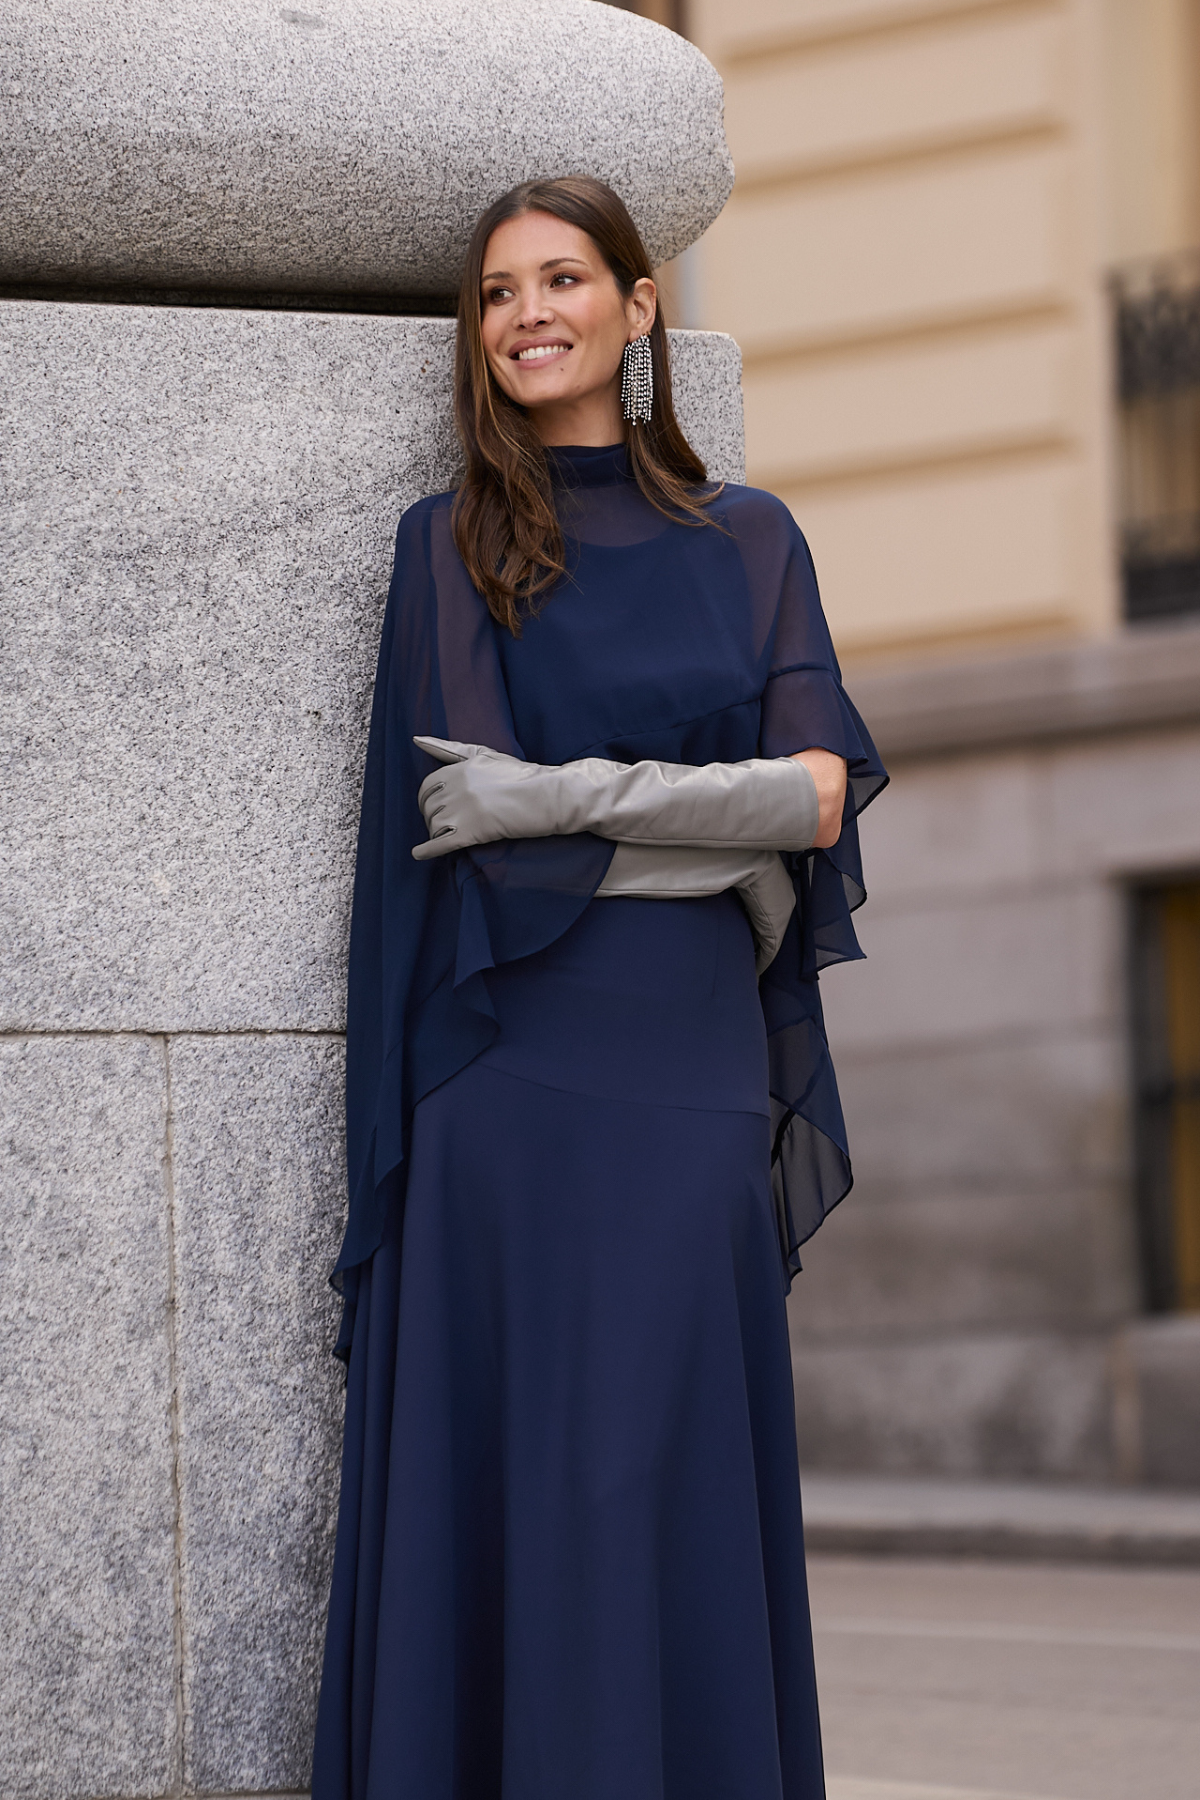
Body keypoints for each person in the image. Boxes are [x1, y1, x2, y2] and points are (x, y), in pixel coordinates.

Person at [312, 174, 886, 1800]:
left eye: (563, 280)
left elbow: (821, 796)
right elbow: (469, 833)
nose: (527, 316)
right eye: (497, 293)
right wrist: (712, 808)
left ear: (642, 305)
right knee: (541, 1481)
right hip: (511, 1071)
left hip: (693, 1067)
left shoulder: (750, 538)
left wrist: (568, 794)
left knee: (659, 1471)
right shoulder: (454, 545)